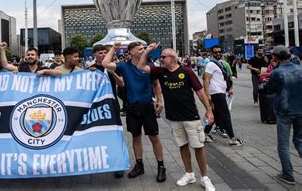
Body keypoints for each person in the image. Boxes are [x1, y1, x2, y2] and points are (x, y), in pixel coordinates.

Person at [137, 43, 215, 191]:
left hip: (191, 116)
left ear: (173, 58)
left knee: (198, 147)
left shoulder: (187, 72)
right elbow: (140, 67)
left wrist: (209, 110)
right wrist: (148, 50)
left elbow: (200, 92)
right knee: (183, 146)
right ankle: (189, 173)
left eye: (163, 57)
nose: (161, 59)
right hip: (174, 117)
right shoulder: (160, 71)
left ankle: (205, 177)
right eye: (160, 57)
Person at [102, 42, 166, 182]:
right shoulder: (124, 66)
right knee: (136, 137)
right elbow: (106, 63)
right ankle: (139, 165)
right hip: (132, 107)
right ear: (131, 52)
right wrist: (114, 48)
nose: (143, 50)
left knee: (154, 137)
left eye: (143, 48)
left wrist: (160, 101)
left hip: (147, 106)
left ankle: (161, 167)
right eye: (140, 49)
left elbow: (156, 84)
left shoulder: (149, 66)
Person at [266, 45, 302, 185]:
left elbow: (270, 89)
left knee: (283, 144)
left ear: (275, 57)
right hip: (300, 109)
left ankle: (288, 174)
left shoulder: (278, 72)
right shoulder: (300, 70)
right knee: (299, 140)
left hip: (284, 111)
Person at [203, 45, 243, 146]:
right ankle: (232, 138)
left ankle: (204, 134)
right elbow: (206, 79)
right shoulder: (211, 64)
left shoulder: (220, 63)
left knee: (216, 115)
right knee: (225, 115)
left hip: (220, 92)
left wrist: (229, 88)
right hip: (216, 93)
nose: (218, 54)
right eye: (215, 52)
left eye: (219, 52)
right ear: (211, 53)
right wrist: (207, 94)